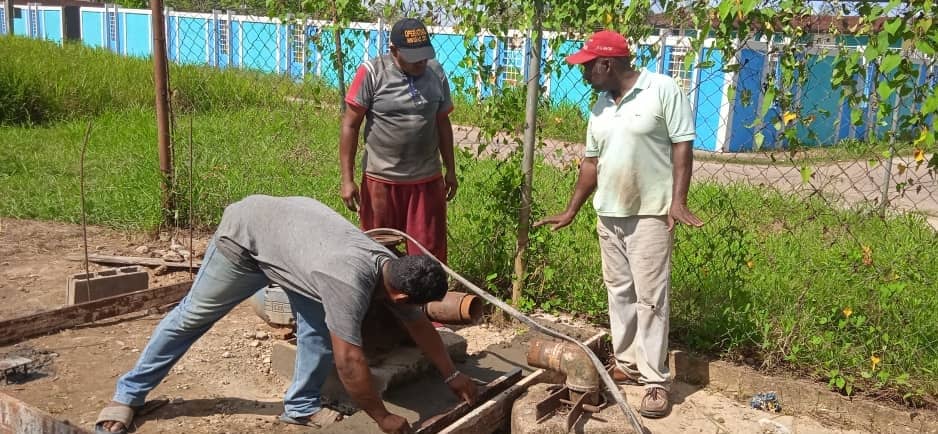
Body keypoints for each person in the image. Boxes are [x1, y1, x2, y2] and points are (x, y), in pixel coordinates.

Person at [95, 195, 477, 434]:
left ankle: (299, 407)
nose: (412, 312)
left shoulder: (395, 270)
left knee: (315, 331)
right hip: (245, 239)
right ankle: (128, 395)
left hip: (298, 247)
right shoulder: (348, 284)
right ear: (401, 293)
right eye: (412, 304)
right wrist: (384, 418)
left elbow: (418, 324)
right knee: (192, 317)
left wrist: (453, 374)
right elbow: (350, 363)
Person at [534, 30, 704, 418]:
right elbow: (591, 163)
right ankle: (627, 364)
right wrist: (571, 209)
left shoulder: (662, 89)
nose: (583, 75)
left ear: (607, 64)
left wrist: (677, 201)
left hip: (650, 212)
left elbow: (683, 146)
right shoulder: (599, 106)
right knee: (619, 292)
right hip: (609, 213)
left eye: (587, 67)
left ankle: (655, 380)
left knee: (651, 297)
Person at [340, 17, 456, 263]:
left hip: (426, 181)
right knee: (380, 255)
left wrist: (451, 170)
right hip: (381, 182)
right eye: (414, 58)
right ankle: (385, 302)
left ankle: (424, 302)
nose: (421, 62)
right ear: (393, 50)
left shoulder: (435, 72)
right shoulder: (372, 73)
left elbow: (443, 124)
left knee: (428, 258)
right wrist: (347, 180)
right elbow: (350, 125)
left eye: (424, 55)